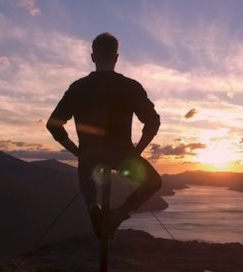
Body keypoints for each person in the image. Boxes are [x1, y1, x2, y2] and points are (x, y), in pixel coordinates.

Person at [46, 32, 162, 238]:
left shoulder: (78, 88)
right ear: (116, 57)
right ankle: (119, 213)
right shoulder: (130, 87)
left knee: (88, 175)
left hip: (90, 156)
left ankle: (93, 208)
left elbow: (53, 124)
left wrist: (77, 151)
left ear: (93, 57)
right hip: (123, 155)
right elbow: (152, 122)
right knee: (153, 182)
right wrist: (137, 151)